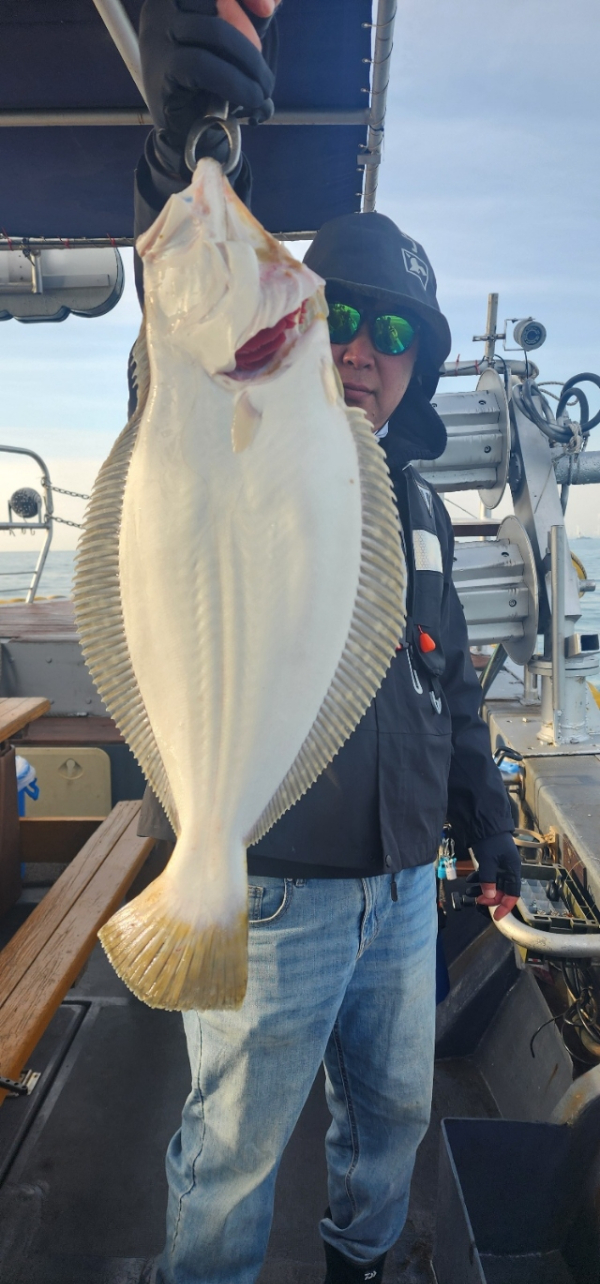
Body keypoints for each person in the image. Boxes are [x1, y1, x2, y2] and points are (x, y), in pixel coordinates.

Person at [133, 4, 522, 1281]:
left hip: (404, 885)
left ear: (419, 368)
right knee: (233, 1153)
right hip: (278, 884)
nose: (362, 352)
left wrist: (488, 837)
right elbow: (178, 348)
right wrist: (184, 153)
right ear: (302, 325)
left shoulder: (421, 509)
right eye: (342, 316)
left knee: (393, 1121)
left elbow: (451, 694)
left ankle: (361, 1266)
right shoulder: (250, 435)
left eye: (396, 335)